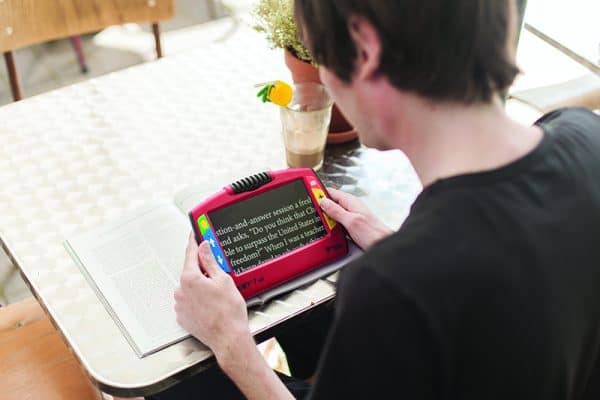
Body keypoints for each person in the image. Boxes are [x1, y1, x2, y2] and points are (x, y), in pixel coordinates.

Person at [150, 0, 600, 398]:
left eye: (320, 57)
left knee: (190, 382)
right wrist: (391, 244)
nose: (323, 77)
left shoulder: (389, 289)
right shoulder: (586, 135)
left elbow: (437, 287)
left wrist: (231, 344)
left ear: (364, 51)